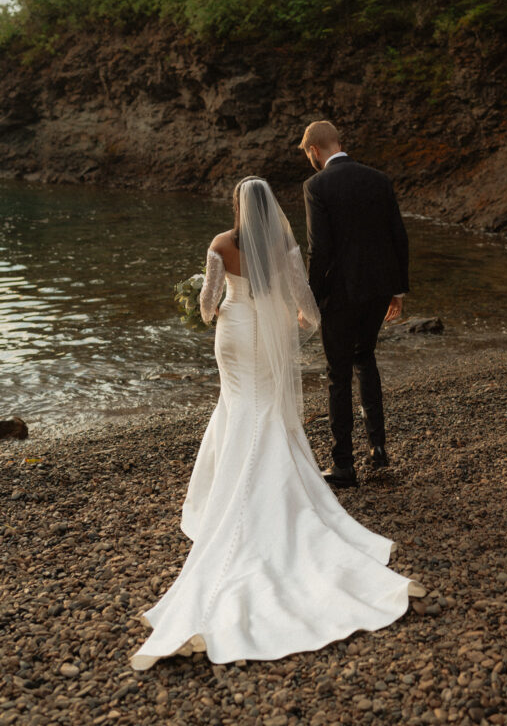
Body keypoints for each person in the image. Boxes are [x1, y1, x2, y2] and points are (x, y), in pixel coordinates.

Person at [130, 176, 423, 671]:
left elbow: (207, 305)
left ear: (238, 206)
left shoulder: (222, 244)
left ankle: (225, 496)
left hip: (234, 335)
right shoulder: (284, 242)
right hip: (270, 338)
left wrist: (210, 309)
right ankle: (280, 490)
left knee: (237, 407)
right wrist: (305, 320)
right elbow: (304, 299)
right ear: (271, 210)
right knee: (265, 409)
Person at [299, 121, 409, 489]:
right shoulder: (378, 179)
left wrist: (309, 301)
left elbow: (320, 250)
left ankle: (343, 464)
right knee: (365, 356)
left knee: (338, 374)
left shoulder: (316, 185)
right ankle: (378, 447)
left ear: (314, 150)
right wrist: (398, 290)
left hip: (341, 293)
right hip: (378, 289)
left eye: (307, 154)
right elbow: (398, 235)